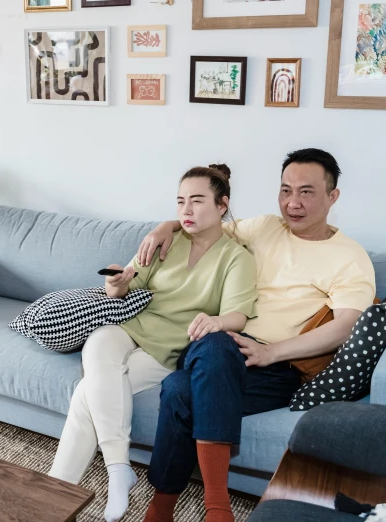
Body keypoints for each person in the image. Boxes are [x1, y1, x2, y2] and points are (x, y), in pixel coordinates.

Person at [138, 149, 377, 522]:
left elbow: (345, 326)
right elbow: (202, 223)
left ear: (333, 196)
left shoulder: (349, 257)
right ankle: (218, 506)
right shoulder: (264, 227)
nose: (292, 203)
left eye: (306, 192)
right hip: (220, 346)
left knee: (179, 390)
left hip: (277, 366)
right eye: (285, 190)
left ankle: (163, 505)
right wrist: (164, 226)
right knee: (215, 341)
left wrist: (272, 352)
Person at [49, 165, 258, 522]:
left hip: (170, 350)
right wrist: (116, 282)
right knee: (98, 339)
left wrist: (218, 322)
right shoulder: (167, 239)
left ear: (222, 205)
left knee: (87, 393)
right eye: (180, 203)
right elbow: (120, 288)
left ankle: (51, 498)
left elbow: (237, 315)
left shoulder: (236, 258)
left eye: (196, 201)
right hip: (131, 329)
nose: (186, 211)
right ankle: (118, 467)